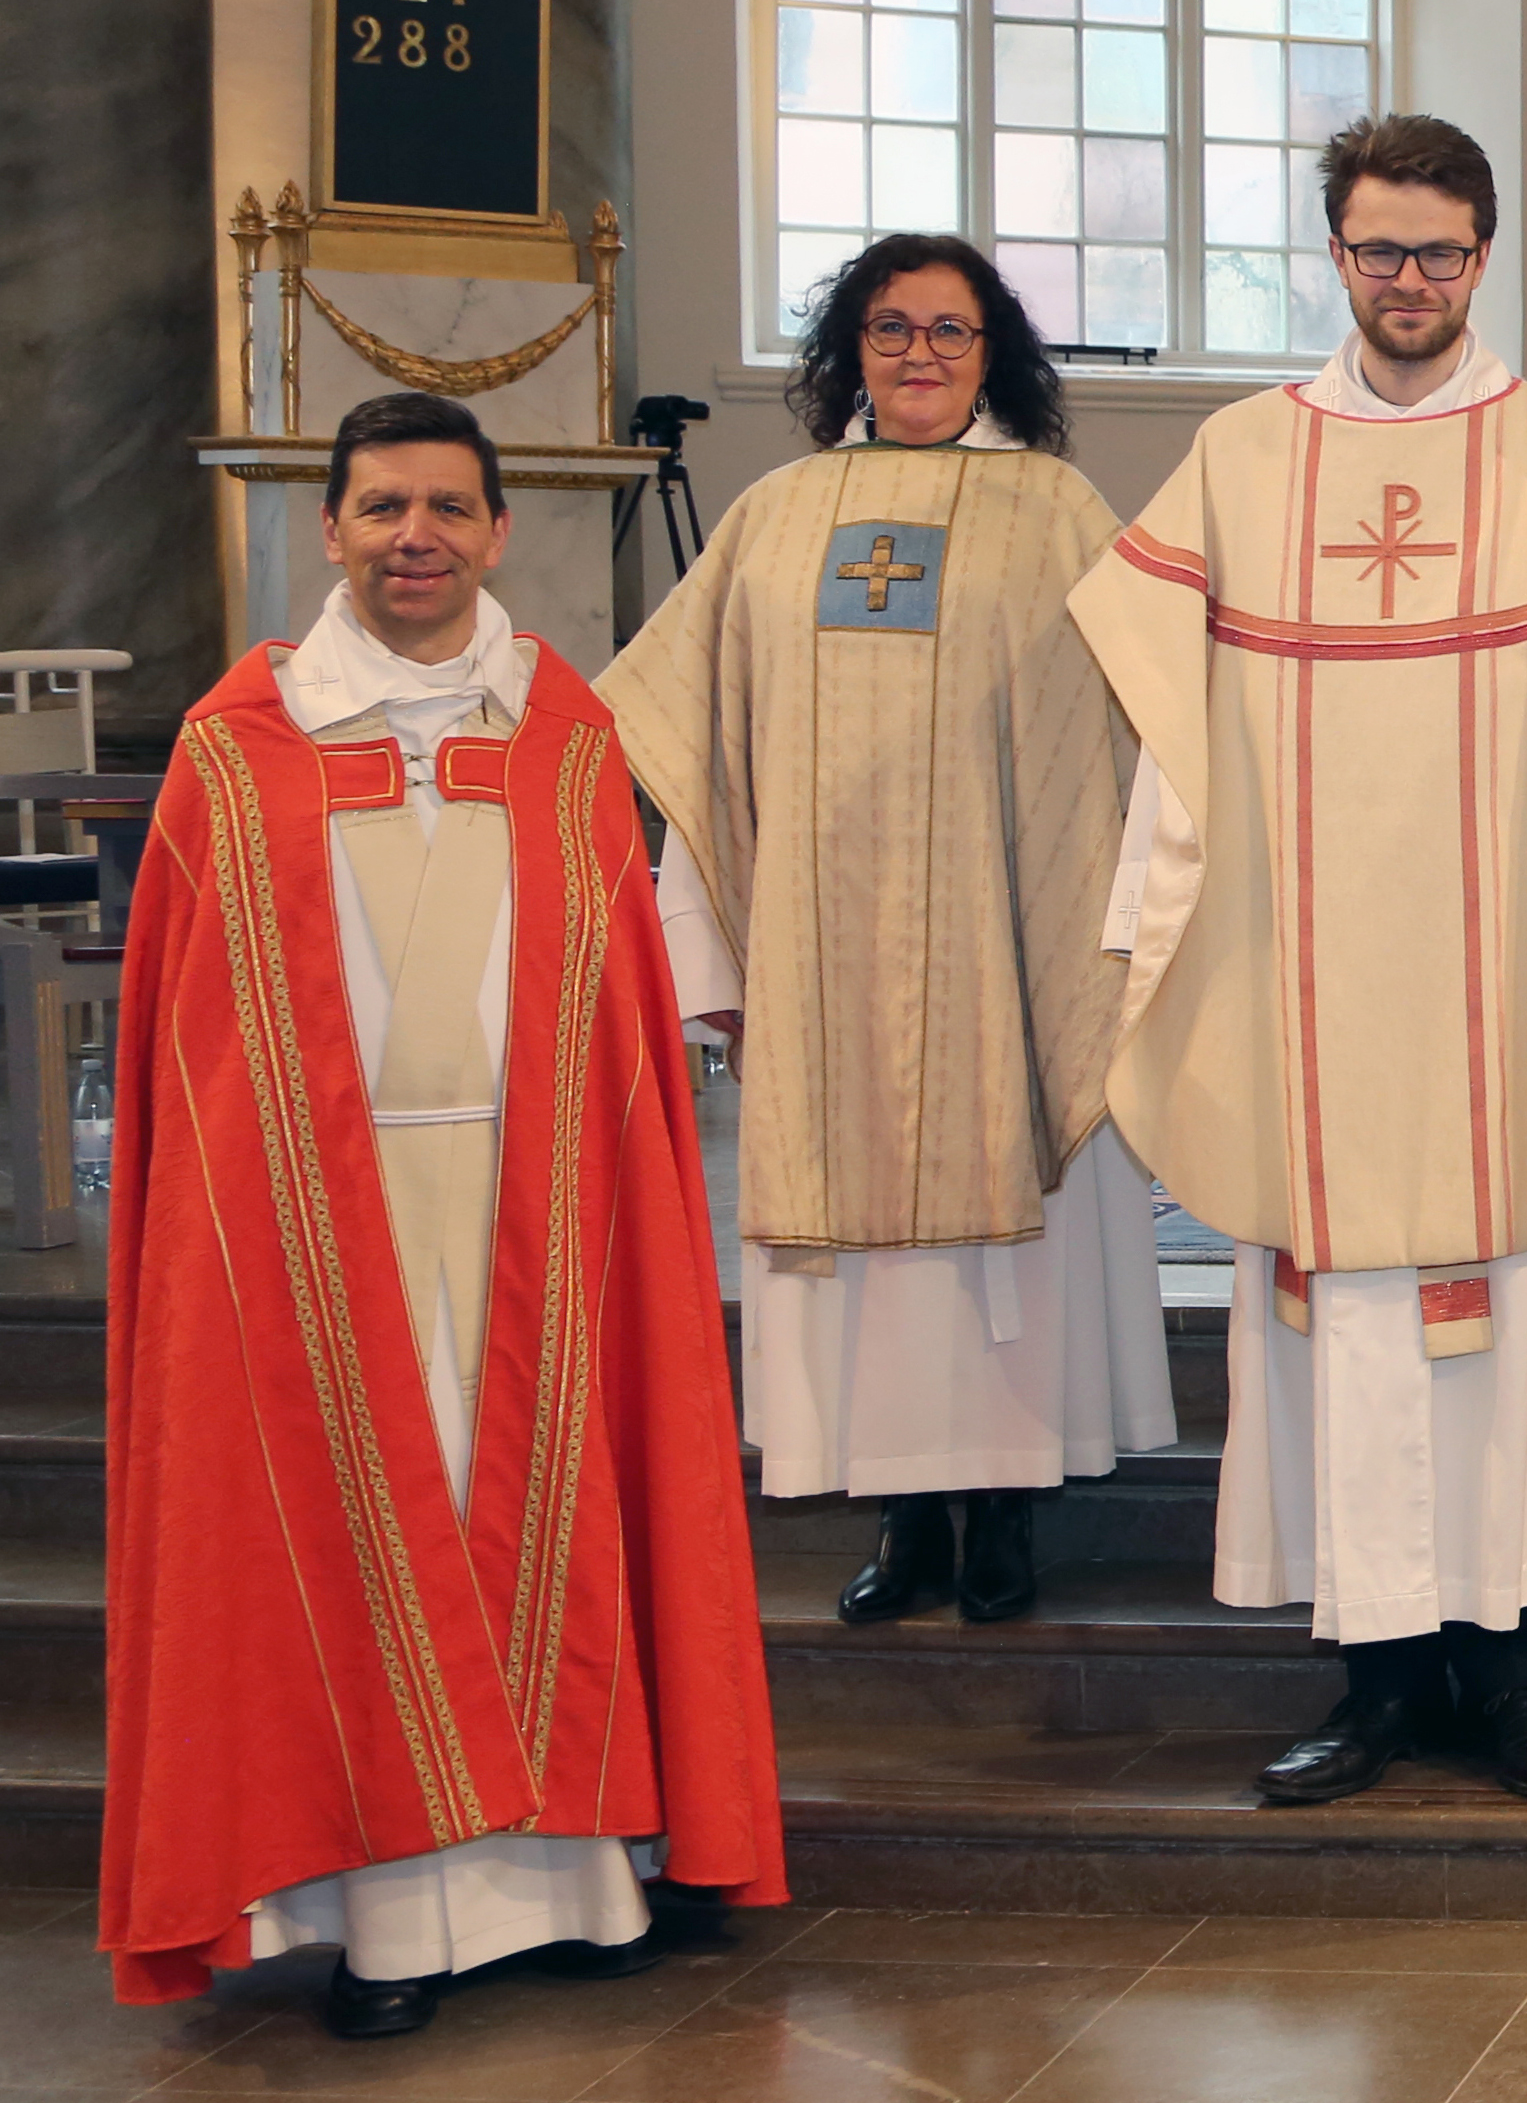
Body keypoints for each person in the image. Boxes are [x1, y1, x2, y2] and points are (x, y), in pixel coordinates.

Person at [1068, 116, 1527, 1804]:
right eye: (1378, 249)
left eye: (1439, 252)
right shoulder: (1241, 457)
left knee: (1520, 1338)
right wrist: (1151, 934)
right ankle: (1374, 1678)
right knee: (1348, 1344)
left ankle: (1515, 1679)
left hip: (1514, 1000)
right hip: (1307, 997)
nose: (1407, 281)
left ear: (1483, 256)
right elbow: (1171, 729)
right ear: (1334, 252)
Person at [101, 394, 783, 2032]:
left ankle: (582, 1877)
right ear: (328, 527)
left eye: (451, 507)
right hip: (313, 1223)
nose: (419, 533)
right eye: (385, 503)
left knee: (546, 1504)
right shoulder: (230, 743)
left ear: (495, 529)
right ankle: (392, 1918)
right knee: (363, 1531)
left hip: (535, 1198)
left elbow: (612, 998)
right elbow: (183, 1039)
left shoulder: (563, 729)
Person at [602, 236, 1167, 1627]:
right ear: (849, 347)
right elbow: (692, 736)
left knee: (1009, 1254)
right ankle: (907, 1520)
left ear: (997, 355)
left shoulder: (1056, 513)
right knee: (870, 1278)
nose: (920, 355)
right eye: (891, 327)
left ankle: (1010, 1518)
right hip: (822, 960)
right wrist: (715, 956)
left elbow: (1137, 731)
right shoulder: (777, 517)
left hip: (1005, 952)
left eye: (952, 333)